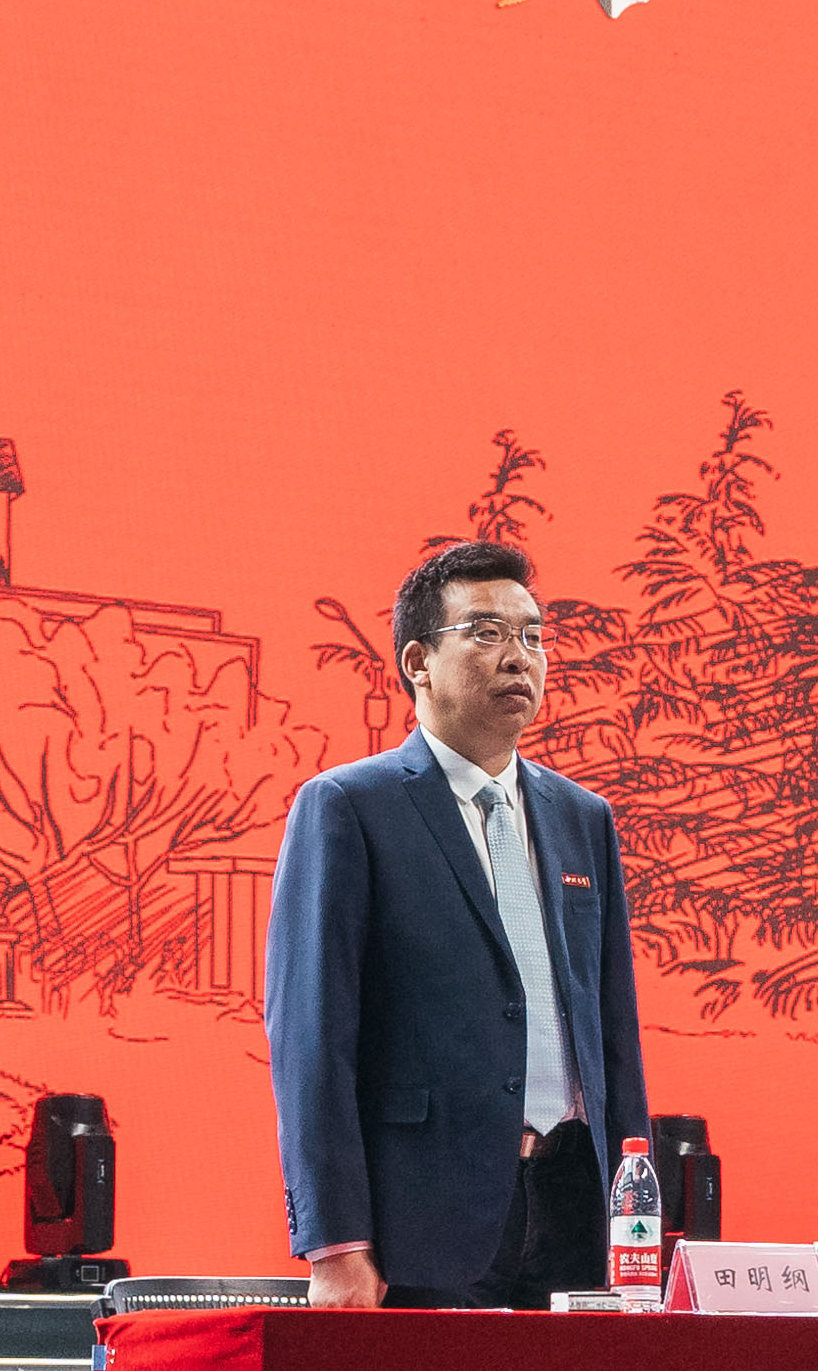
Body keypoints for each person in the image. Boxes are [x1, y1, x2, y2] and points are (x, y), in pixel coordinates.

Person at [260, 539, 651, 1308]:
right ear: (417, 660)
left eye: (532, 636)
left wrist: (635, 1220)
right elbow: (311, 1042)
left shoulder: (582, 818)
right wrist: (335, 1242)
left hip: (575, 1207)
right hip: (422, 1219)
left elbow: (614, 1035)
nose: (518, 657)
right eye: (486, 632)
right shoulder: (349, 807)